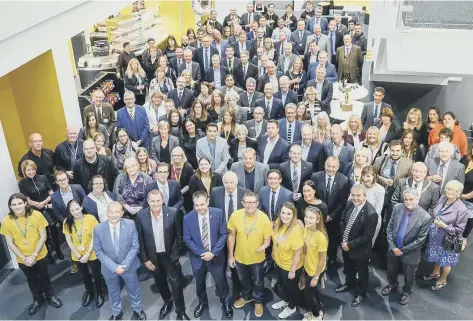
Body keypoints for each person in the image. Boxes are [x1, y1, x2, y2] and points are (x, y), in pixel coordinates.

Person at [1, 193, 62, 315]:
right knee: (31, 279)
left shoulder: (36, 215)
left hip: (39, 255)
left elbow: (43, 236)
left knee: (45, 277)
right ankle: (38, 299)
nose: (17, 207)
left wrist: (34, 255)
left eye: (19, 203)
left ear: (25, 203)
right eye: (14, 204)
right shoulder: (7, 221)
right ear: (10, 207)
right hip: (22, 259)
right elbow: (10, 243)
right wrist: (24, 258)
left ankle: (50, 296)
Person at [135, 190, 189, 320]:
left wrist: (177, 254)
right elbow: (140, 240)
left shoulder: (173, 212)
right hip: (152, 257)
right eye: (152, 201)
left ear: (162, 200)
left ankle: (180, 311)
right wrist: (145, 259)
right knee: (160, 281)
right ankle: (167, 301)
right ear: (148, 202)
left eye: (158, 200)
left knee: (176, 284)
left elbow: (179, 236)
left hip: (170, 255)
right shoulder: (141, 215)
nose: (156, 203)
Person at [183, 191, 232, 318]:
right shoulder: (187, 218)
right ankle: (202, 303)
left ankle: (226, 303)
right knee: (199, 284)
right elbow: (187, 239)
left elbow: (223, 234)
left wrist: (213, 253)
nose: (200, 208)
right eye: (196, 205)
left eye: (202, 204)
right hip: (198, 258)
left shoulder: (218, 213)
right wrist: (203, 253)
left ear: (208, 201)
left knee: (221, 282)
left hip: (216, 256)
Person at [93, 202, 146, 320]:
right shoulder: (98, 228)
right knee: (113, 291)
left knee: (134, 289)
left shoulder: (130, 224)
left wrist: (124, 266)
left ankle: (137, 309)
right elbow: (98, 252)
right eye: (111, 212)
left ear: (122, 213)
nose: (113, 215)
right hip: (109, 268)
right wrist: (114, 267)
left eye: (117, 212)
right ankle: (117, 312)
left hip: (128, 266)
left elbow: (134, 246)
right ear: (107, 212)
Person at [227, 191, 273, 318]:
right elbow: (231, 236)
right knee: (243, 280)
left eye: (252, 202)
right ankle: (246, 296)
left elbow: (268, 240)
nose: (250, 205)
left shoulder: (264, 218)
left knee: (258, 281)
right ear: (242, 203)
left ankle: (258, 300)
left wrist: (263, 247)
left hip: (257, 259)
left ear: (257, 203)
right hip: (239, 257)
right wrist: (230, 256)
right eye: (247, 202)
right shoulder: (235, 216)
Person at [383, 188, 431, 305]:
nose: (408, 202)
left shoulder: (425, 217)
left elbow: (420, 240)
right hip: (393, 249)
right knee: (391, 270)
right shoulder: (397, 207)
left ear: (417, 198)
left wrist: (401, 250)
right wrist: (393, 247)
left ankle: (407, 292)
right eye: (406, 199)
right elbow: (389, 228)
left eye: (411, 199)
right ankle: (392, 284)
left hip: (411, 253)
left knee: (409, 276)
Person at [335, 184, 378, 307]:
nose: (355, 198)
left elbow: (367, 237)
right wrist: (344, 240)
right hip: (345, 245)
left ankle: (361, 293)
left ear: (365, 196)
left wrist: (350, 244)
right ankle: (349, 284)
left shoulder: (371, 213)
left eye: (358, 195)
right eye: (353, 195)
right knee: (349, 268)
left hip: (360, 250)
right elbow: (342, 221)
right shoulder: (349, 204)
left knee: (362, 272)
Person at [424, 180, 468, 291]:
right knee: (438, 257)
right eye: (448, 188)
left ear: (459, 193)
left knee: (446, 261)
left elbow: (459, 230)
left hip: (450, 240)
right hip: (436, 236)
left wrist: (444, 225)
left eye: (453, 190)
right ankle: (435, 272)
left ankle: (443, 279)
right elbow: (435, 212)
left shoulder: (462, 209)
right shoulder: (443, 198)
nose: (449, 191)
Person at [18, 160, 63, 262]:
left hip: (48, 207)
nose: (31, 172)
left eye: (33, 169)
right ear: (24, 171)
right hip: (35, 211)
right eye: (28, 170)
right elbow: (27, 200)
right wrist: (38, 204)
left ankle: (58, 250)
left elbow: (51, 193)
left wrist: (44, 202)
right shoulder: (22, 184)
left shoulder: (42, 177)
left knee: (54, 231)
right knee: (42, 233)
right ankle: (48, 254)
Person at [63, 200, 104, 308]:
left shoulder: (90, 218)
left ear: (81, 207)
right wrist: (78, 254)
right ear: (69, 212)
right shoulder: (67, 222)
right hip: (77, 255)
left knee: (96, 274)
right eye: (72, 210)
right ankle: (89, 292)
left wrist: (87, 253)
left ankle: (100, 292)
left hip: (92, 252)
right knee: (84, 275)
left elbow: (95, 237)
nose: (75, 212)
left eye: (77, 209)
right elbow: (69, 240)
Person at [311, 157, 350, 266]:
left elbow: (343, 202)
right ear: (324, 165)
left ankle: (332, 258)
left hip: (334, 216)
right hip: (317, 215)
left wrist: (331, 216)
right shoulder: (316, 176)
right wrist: (318, 215)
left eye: (333, 167)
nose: (331, 169)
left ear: (338, 167)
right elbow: (313, 196)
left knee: (332, 238)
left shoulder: (344, 180)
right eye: (328, 166)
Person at [270, 202, 304, 319]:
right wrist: (274, 252)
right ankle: (285, 300)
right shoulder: (279, 222)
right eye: (283, 213)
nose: (285, 216)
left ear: (293, 215)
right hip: (279, 262)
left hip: (290, 266)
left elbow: (298, 252)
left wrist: (293, 270)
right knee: (283, 285)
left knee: (292, 288)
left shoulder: (296, 230)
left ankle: (292, 306)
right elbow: (276, 240)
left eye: (288, 214)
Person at [302, 206, 328, 321]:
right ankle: (317, 309)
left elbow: (322, 260)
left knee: (308, 295)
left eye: (311, 218)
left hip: (315, 271)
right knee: (313, 292)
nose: (307, 220)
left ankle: (317, 315)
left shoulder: (321, 237)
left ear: (318, 220)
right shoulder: (306, 229)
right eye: (306, 216)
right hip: (307, 267)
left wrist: (316, 277)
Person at [374, 140, 413, 213]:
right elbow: (372, 174)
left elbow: (410, 180)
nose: (395, 153)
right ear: (389, 150)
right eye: (393, 150)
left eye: (398, 151)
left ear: (402, 151)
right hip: (381, 194)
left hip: (396, 197)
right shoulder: (380, 160)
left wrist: (396, 182)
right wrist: (382, 179)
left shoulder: (409, 163)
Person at [360, 165, 385, 245]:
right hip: (358, 220)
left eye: (368, 176)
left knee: (368, 244)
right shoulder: (357, 185)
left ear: (374, 177)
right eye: (363, 175)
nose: (365, 178)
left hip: (372, 221)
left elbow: (378, 209)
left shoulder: (380, 189)